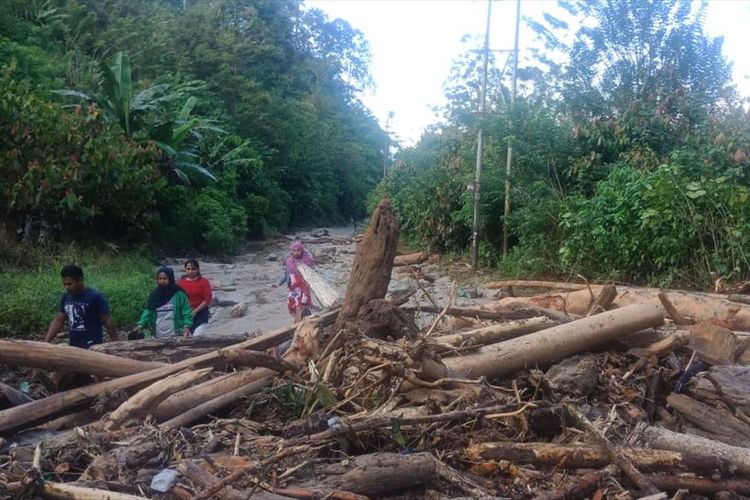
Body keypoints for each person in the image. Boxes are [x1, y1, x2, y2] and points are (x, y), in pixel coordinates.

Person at [45, 264, 118, 348]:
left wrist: (116, 344)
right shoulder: (66, 297)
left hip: (93, 346)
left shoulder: (95, 296)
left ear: (80, 280)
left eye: (70, 284)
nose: (67, 287)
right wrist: (46, 342)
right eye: (64, 284)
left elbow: (107, 320)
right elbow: (58, 321)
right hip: (74, 345)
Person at [134, 266, 193, 338]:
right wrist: (141, 324)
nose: (162, 281)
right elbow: (148, 311)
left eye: (165, 278)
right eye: (160, 279)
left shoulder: (179, 294)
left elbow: (186, 312)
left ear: (170, 278)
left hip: (176, 335)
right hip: (158, 334)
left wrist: (186, 326)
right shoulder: (154, 295)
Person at [273, 241, 315, 322]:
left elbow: (312, 276)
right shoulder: (289, 261)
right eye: (294, 250)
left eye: (298, 250)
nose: (296, 252)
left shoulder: (307, 261)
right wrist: (278, 283)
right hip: (293, 288)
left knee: (300, 305)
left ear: (302, 251)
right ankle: (299, 320)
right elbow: (285, 274)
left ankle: (298, 323)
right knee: (291, 306)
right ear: (291, 251)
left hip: (303, 288)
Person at [178, 259, 212, 336]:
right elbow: (179, 299)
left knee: (197, 336)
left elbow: (208, 298)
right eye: (188, 269)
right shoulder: (181, 283)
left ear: (198, 269)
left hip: (201, 314)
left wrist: (196, 311)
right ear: (185, 270)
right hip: (186, 315)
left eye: (193, 269)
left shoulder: (204, 282)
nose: (191, 271)